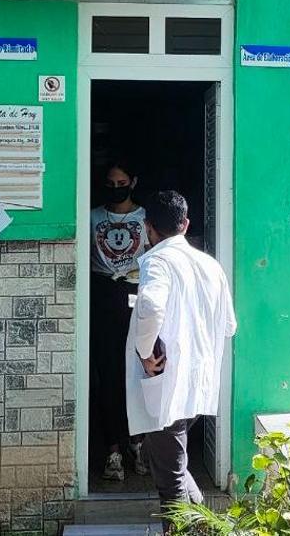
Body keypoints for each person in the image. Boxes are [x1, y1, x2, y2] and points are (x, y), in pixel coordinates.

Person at [126, 190, 237, 516]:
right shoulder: (210, 265)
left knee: (170, 479)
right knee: (172, 462)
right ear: (185, 224)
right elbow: (229, 325)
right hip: (197, 383)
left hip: (167, 384)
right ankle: (207, 524)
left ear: (148, 227)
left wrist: (145, 352)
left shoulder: (158, 262)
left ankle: (193, 527)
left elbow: (149, 305)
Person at [89, 161, 151, 481]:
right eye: (111, 183)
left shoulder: (146, 219)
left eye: (122, 182)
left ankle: (137, 444)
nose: (117, 188)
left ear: (134, 181)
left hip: (136, 298)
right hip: (102, 297)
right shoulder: (93, 217)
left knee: (138, 375)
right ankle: (113, 450)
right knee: (108, 376)